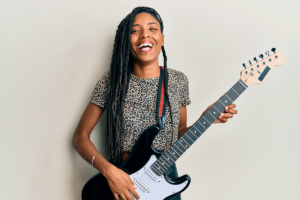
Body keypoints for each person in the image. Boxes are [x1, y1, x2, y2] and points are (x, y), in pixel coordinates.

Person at [72, 6, 237, 200]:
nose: (144, 35)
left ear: (162, 38)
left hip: (165, 181)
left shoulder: (178, 81)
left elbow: (177, 135)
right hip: (121, 182)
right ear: (126, 41)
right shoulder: (111, 82)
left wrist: (205, 119)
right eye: (135, 31)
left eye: (153, 28)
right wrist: (109, 171)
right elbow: (79, 137)